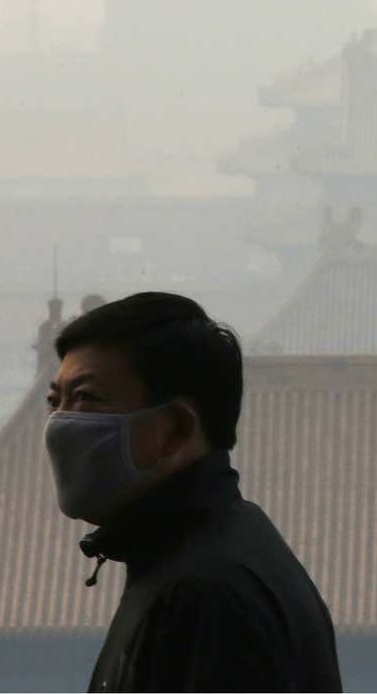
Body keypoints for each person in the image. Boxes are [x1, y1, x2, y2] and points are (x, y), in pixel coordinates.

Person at [43, 292, 342, 692]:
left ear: (177, 429)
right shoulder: (186, 557)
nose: (61, 423)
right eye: (54, 401)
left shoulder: (210, 593)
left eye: (86, 398)